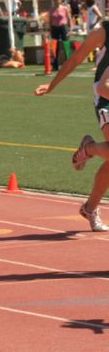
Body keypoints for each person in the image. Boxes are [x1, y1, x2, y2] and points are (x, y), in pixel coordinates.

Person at [34, 20, 109, 232]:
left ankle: (89, 208)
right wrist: (52, 84)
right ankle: (89, 148)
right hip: (106, 98)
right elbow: (77, 59)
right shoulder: (101, 33)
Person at [49, 0, 71, 71]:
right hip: (54, 28)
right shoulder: (51, 10)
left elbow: (69, 18)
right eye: (55, 0)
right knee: (55, 47)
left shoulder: (64, 8)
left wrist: (70, 29)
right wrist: (50, 30)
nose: (57, 1)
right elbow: (50, 21)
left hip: (63, 27)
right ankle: (55, 65)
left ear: (61, 0)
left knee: (66, 46)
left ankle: (69, 64)